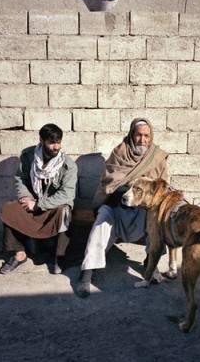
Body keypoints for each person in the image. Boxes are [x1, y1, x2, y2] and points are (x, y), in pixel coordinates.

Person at [76, 118, 169, 297]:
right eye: (139, 135)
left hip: (143, 210)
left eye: (146, 136)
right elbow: (108, 183)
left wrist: (142, 199)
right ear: (132, 135)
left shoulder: (157, 158)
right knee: (100, 224)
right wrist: (126, 192)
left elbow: (162, 187)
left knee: (158, 224)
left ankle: (151, 263)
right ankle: (86, 274)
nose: (142, 139)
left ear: (151, 137)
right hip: (116, 206)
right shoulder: (119, 153)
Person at [0, 123, 77, 275]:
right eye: (51, 142)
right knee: (10, 209)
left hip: (52, 206)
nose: (56, 146)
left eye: (58, 142)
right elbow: (20, 179)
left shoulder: (68, 165)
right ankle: (19, 254)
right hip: (32, 202)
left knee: (65, 210)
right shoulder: (29, 156)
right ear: (41, 140)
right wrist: (26, 197)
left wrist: (39, 205)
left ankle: (59, 257)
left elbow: (67, 194)